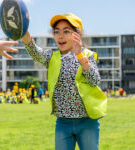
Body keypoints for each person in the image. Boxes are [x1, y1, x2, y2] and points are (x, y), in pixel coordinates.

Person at [22, 12, 107, 150]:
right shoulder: (52, 57)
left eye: (66, 31)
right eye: (56, 32)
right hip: (63, 122)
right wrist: (23, 29)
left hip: (87, 121)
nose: (60, 36)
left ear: (77, 34)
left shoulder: (87, 55)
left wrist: (80, 55)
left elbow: (95, 80)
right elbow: (33, 50)